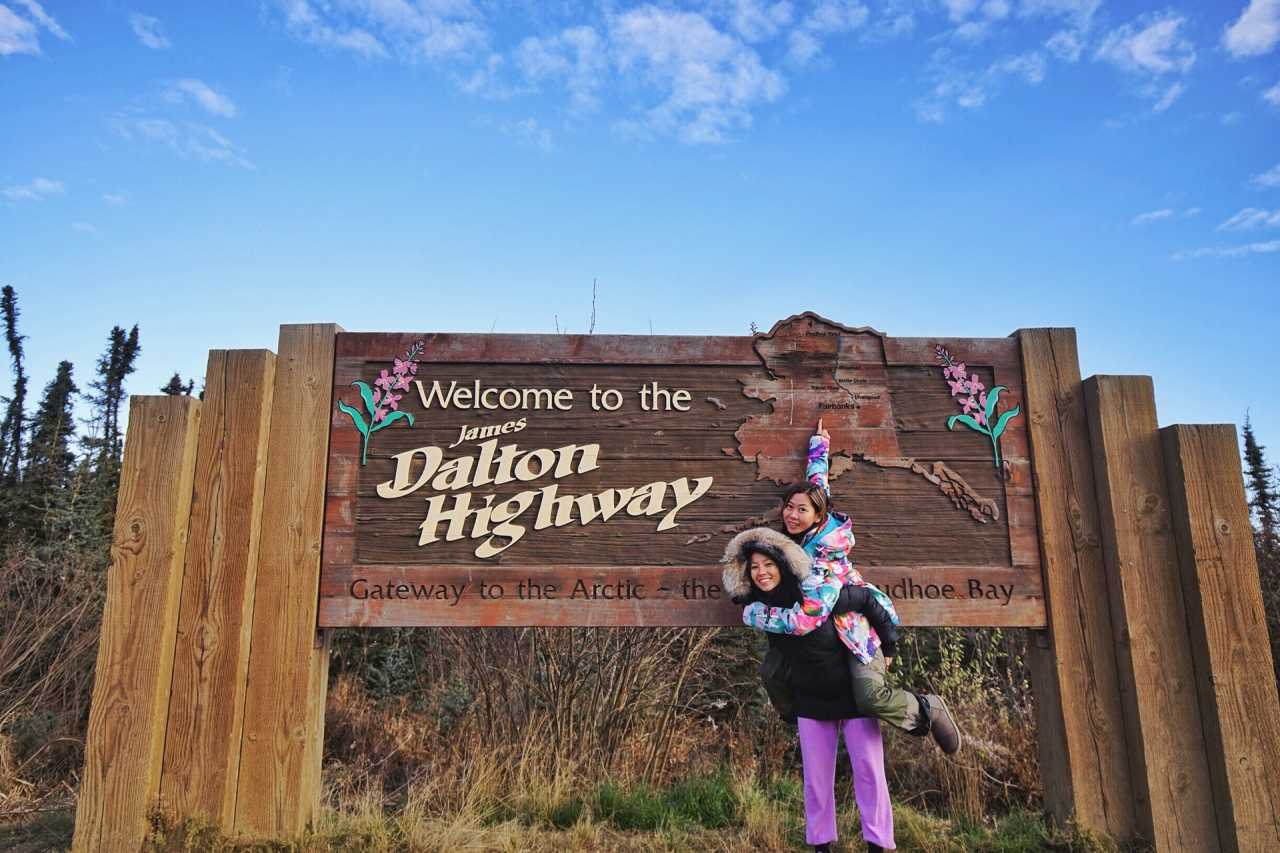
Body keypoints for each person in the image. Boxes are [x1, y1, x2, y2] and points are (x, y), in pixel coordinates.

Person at [742, 419, 962, 754]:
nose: (792, 515)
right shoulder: (800, 536)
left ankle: (926, 709)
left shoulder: (824, 556)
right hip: (823, 643)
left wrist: (754, 614)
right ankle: (796, 717)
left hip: (854, 634)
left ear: (819, 515)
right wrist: (819, 446)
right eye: (789, 507)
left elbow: (806, 618)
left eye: (801, 510)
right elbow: (818, 485)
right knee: (773, 672)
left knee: (870, 696)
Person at [723, 525, 894, 853]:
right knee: (816, 781)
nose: (761, 572)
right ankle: (820, 845)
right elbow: (799, 623)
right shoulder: (754, 610)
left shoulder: (815, 588)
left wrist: (889, 645)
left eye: (768, 564)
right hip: (809, 696)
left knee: (869, 772)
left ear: (782, 565)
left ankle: (878, 844)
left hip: (852, 690)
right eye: (754, 567)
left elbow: (866, 599)